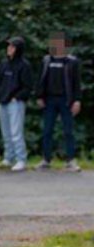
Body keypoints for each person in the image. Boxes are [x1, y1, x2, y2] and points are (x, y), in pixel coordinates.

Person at [36, 32, 83, 172]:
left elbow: (77, 83)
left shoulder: (72, 62)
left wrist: (77, 101)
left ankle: (71, 160)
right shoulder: (46, 60)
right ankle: (46, 160)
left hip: (66, 100)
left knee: (68, 131)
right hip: (49, 100)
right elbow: (41, 79)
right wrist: (39, 96)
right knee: (47, 131)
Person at [0, 36, 33, 172]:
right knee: (6, 132)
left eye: (12, 46)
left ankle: (21, 159)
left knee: (16, 132)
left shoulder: (24, 65)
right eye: (8, 46)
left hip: (16, 103)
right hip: (3, 101)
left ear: (18, 49)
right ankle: (8, 158)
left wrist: (16, 98)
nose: (9, 49)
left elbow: (27, 86)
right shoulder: (4, 64)